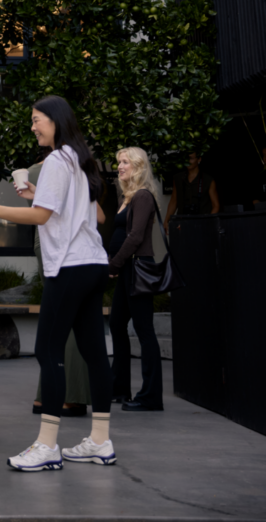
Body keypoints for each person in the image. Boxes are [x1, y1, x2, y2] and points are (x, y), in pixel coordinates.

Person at [0, 95, 115, 472]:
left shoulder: (55, 161)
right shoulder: (78, 159)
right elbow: (75, 211)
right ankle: (101, 440)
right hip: (93, 264)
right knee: (95, 353)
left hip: (69, 267)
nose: (33, 127)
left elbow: (42, 217)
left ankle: (47, 446)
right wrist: (36, 195)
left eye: (36, 120)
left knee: (48, 352)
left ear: (55, 120)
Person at [30, 147, 98, 418]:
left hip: (56, 248)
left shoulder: (47, 167)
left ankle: (49, 400)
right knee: (72, 332)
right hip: (74, 250)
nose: (34, 127)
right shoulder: (77, 167)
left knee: (53, 335)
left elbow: (41, 214)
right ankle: (72, 400)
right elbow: (99, 216)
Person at [108, 147, 164, 412]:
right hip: (127, 269)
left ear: (139, 167)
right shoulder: (127, 196)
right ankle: (119, 387)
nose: (119, 166)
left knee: (144, 330)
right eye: (119, 162)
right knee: (117, 324)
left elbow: (136, 237)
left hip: (138, 268)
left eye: (125, 162)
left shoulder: (142, 196)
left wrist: (114, 264)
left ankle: (151, 396)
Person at [164, 150, 219, 230]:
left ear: (199, 159)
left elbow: (216, 206)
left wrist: (207, 223)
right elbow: (173, 201)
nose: (188, 161)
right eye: (186, 158)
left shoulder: (208, 180)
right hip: (182, 225)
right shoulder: (178, 178)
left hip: (202, 225)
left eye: (191, 158)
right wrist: (166, 220)